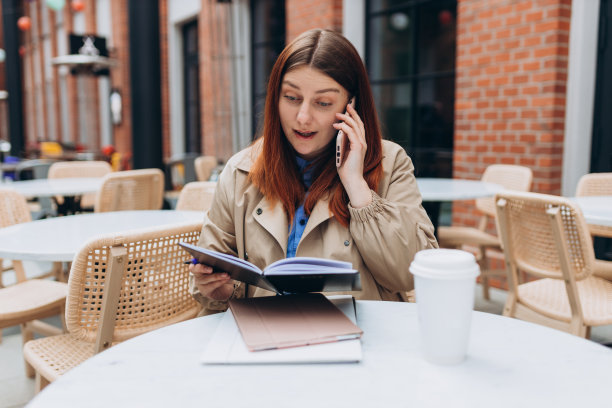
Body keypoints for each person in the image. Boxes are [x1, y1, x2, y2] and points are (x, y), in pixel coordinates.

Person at [190, 28, 437, 315]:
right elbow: (206, 282)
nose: (303, 117)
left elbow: (410, 274)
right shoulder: (240, 171)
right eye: (292, 98)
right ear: (275, 98)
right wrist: (218, 289)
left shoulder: (390, 163)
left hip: (361, 341)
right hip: (264, 339)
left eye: (323, 103)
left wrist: (357, 185)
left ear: (351, 105)